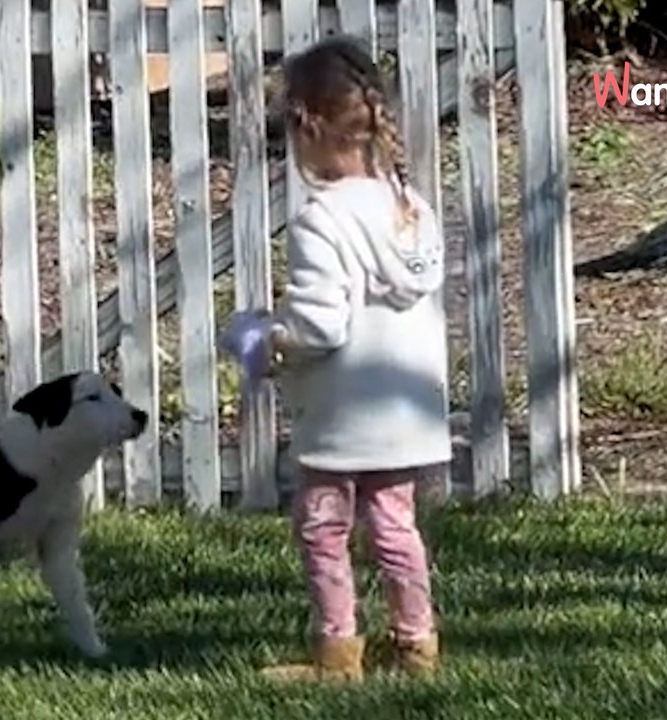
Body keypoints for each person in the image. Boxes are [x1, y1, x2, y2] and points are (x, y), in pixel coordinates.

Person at [259, 34, 451, 683]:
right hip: (405, 410)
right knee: (396, 528)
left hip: (344, 415)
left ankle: (338, 653)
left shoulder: (322, 219)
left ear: (307, 124)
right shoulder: (412, 209)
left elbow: (321, 325)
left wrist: (268, 342)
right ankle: (416, 647)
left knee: (322, 527)